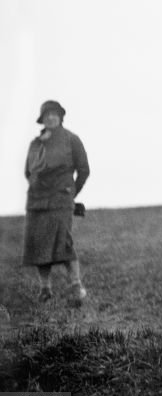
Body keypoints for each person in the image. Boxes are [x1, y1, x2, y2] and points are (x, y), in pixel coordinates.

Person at [23, 100, 90, 306]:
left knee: (64, 242)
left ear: (61, 117)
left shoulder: (72, 139)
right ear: (42, 119)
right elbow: (28, 171)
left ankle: (76, 286)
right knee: (39, 246)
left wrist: (71, 194)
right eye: (47, 115)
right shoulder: (35, 143)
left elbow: (84, 169)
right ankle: (45, 289)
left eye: (55, 114)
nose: (51, 118)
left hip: (61, 199)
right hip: (37, 202)